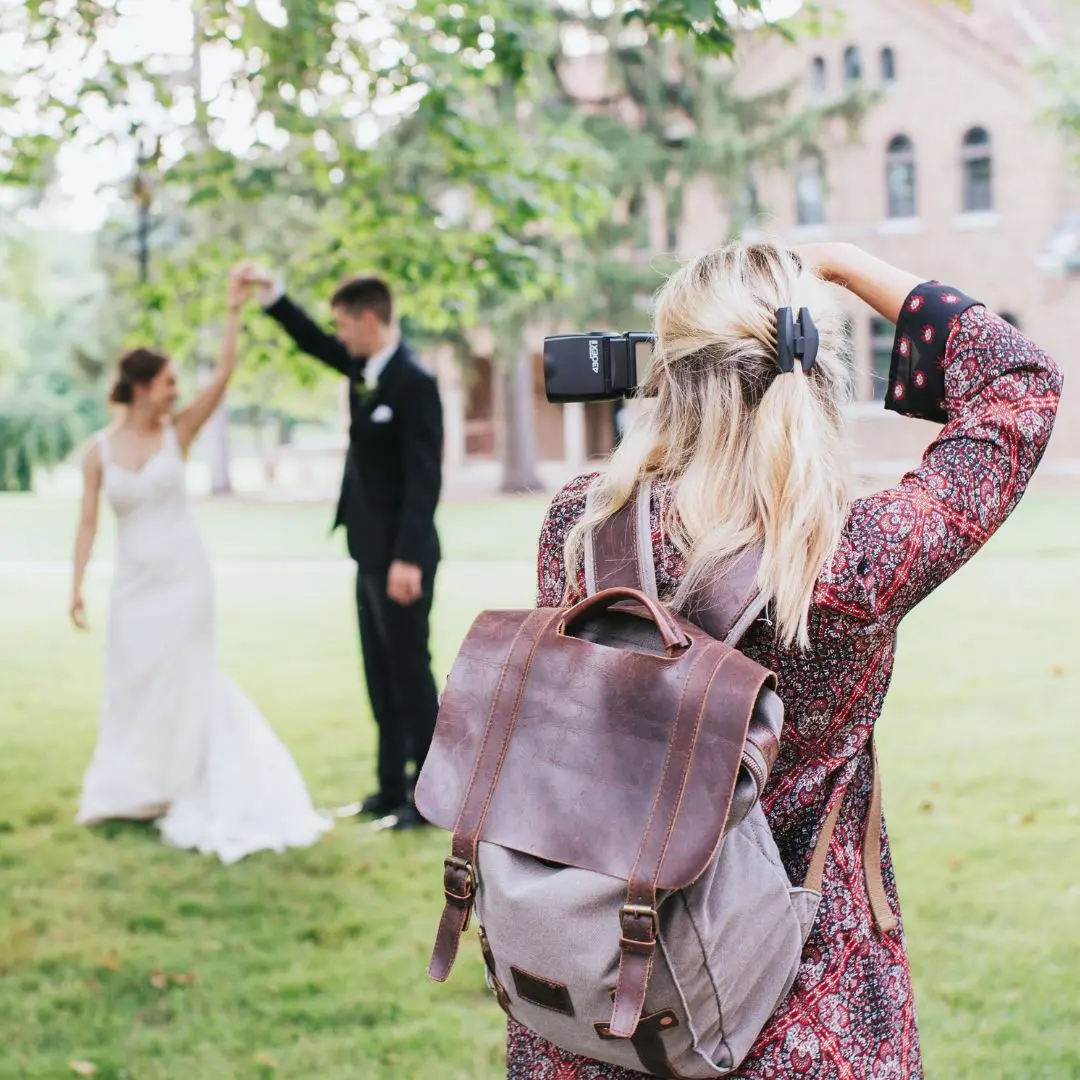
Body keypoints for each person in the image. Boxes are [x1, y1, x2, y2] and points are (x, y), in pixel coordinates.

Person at [515, 241, 1062, 1078]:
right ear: (810, 379)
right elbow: (1019, 385)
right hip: (805, 999)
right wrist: (846, 265)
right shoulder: (849, 563)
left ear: (665, 374)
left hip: (609, 984)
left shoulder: (582, 532)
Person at [71, 270, 331, 864]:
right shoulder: (97, 451)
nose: (173, 392)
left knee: (187, 676)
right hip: (133, 585)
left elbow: (223, 377)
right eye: (165, 383)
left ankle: (186, 781)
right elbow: (87, 523)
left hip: (185, 578)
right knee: (134, 680)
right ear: (138, 387)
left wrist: (233, 310)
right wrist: (76, 585)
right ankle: (133, 788)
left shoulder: (178, 434)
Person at [238, 264, 443, 831]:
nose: (341, 336)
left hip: (403, 558)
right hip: (367, 551)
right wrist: (274, 297)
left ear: (370, 319)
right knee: (378, 673)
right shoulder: (362, 369)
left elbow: (424, 479)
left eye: (344, 325)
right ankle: (386, 789)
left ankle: (427, 799)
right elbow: (312, 343)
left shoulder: (414, 384)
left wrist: (406, 557)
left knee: (409, 675)